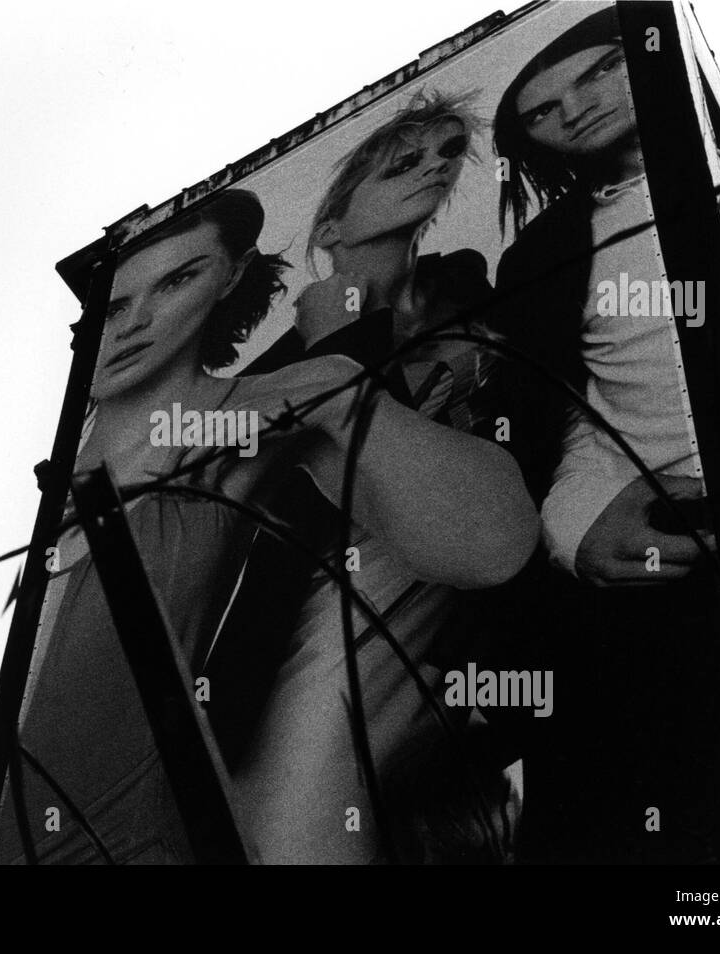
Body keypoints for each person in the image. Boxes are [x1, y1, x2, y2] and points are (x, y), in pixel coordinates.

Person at [0, 189, 538, 864]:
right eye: (116, 305)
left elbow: (491, 545)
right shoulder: (57, 487)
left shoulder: (256, 409)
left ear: (232, 274)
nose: (135, 322)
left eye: (177, 280)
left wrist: (341, 383)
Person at [213, 91, 526, 864]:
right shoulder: (281, 369)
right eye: (403, 161)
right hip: (331, 633)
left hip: (471, 647)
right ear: (330, 226)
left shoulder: (473, 297)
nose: (434, 169)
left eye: (445, 156)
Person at [477, 6, 720, 863]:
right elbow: (552, 430)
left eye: (596, 71)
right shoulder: (542, 258)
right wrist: (574, 527)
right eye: (544, 110)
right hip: (667, 562)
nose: (578, 108)